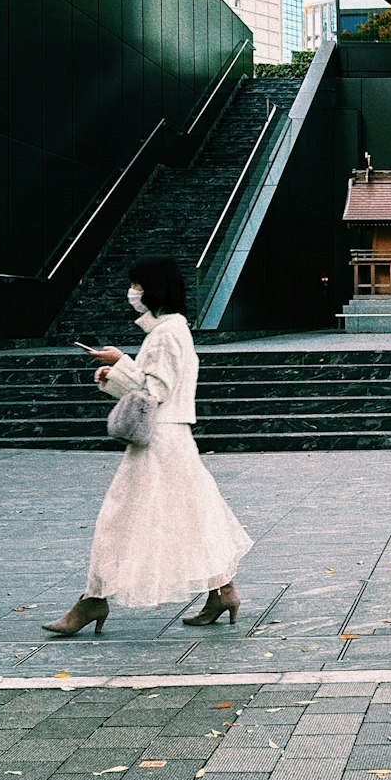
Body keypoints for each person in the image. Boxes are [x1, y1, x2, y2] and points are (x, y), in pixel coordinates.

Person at [42, 257, 252, 635]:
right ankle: (223, 591)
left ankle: (93, 601)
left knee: (118, 519)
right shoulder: (173, 331)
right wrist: (119, 368)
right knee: (192, 516)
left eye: (137, 285)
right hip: (173, 437)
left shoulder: (165, 334)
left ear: (152, 289)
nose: (132, 293)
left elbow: (153, 391)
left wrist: (119, 364)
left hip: (158, 441)